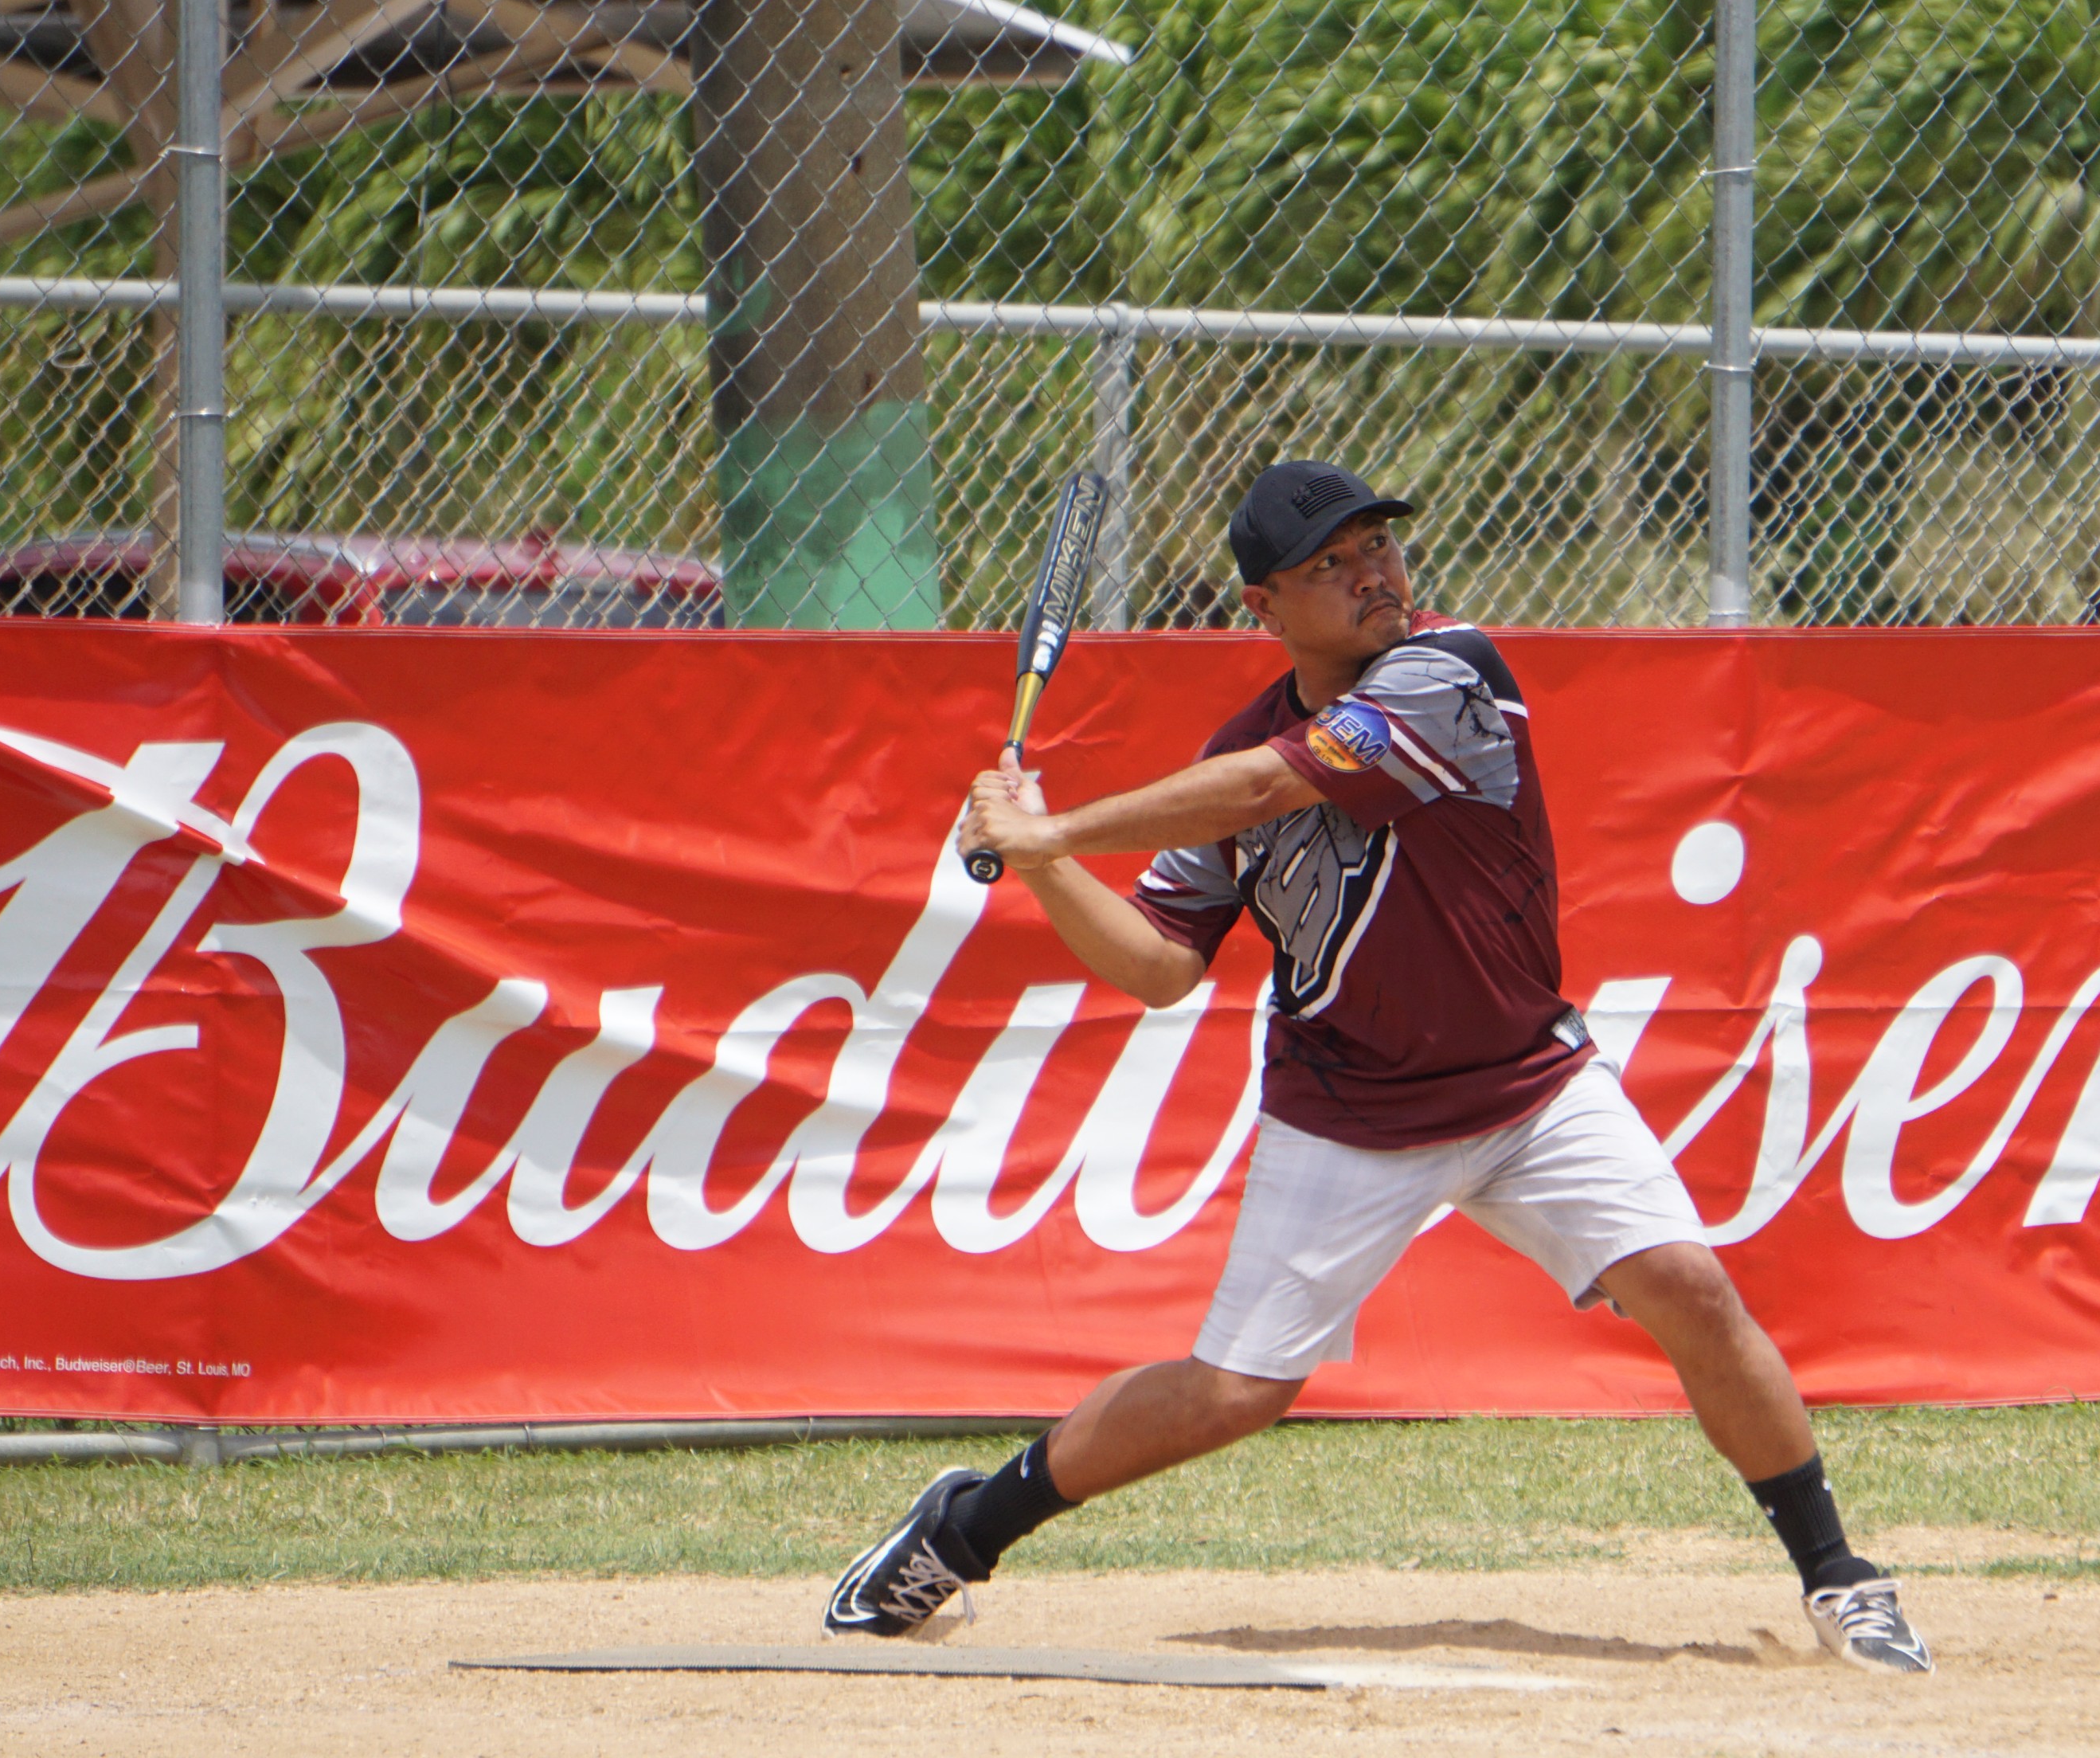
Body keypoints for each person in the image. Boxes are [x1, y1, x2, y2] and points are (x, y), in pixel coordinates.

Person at [823, 460, 1930, 1674]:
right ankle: (963, 1529)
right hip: (1345, 1110)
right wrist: (1039, 862)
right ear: (1264, 607)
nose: (1376, 575)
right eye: (1333, 566)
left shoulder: (1452, 673)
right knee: (1235, 1393)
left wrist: (1055, 826)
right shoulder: (1231, 750)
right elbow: (1156, 967)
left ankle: (1841, 1577)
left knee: (1690, 1287)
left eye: (1381, 549)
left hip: (1525, 1084)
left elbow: (1276, 781)